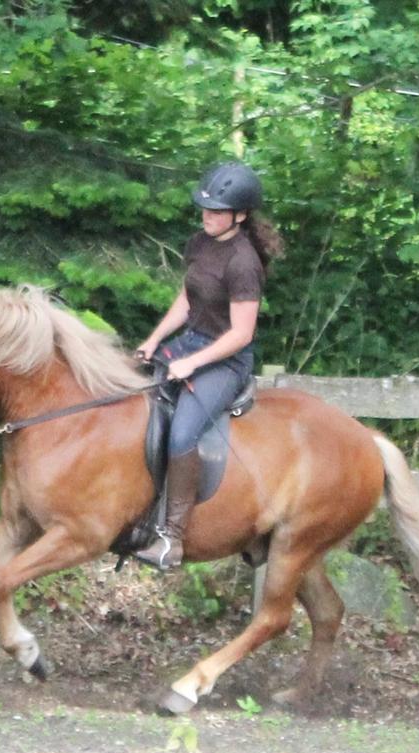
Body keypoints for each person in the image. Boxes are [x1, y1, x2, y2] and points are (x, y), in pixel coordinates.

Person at [133, 161, 284, 570]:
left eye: (217, 211)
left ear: (241, 215)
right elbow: (187, 300)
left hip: (225, 361)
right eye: (205, 209)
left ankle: (172, 540)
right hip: (188, 344)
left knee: (182, 434)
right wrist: (154, 340)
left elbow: (241, 334)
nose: (207, 217)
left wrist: (192, 363)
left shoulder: (243, 263)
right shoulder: (200, 242)